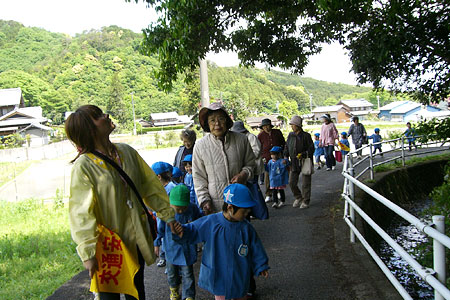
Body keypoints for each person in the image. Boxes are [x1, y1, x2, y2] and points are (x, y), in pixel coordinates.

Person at [66, 105, 179, 300]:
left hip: (134, 240)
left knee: (137, 293)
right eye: (99, 116)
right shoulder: (84, 166)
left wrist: (167, 215)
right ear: (89, 129)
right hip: (107, 248)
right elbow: (80, 212)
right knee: (109, 297)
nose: (106, 116)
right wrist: (88, 251)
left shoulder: (126, 152)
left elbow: (150, 186)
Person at [172, 183, 269, 300]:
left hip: (240, 276)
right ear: (230, 208)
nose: (247, 214)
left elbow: (256, 247)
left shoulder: (246, 228)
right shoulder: (210, 222)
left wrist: (261, 265)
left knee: (241, 294)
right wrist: (182, 231)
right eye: (244, 212)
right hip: (218, 276)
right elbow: (193, 230)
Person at [192, 102, 256, 215]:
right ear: (207, 123)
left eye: (221, 119)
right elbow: (198, 176)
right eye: (212, 120)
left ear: (227, 120)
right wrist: (204, 200)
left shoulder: (242, 140)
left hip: (239, 202)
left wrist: (244, 174)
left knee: (241, 231)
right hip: (215, 205)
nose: (217, 124)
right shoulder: (200, 146)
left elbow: (251, 164)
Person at [154, 185, 202, 300]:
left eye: (183, 208)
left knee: (188, 275)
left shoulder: (192, 208)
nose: (180, 211)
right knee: (172, 274)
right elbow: (159, 230)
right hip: (171, 249)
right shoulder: (166, 212)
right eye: (177, 208)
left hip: (187, 249)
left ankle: (189, 296)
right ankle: (174, 290)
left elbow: (200, 221)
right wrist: (156, 243)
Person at [284, 116, 314, 209]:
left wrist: (304, 154)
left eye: (293, 124)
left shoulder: (306, 136)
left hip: (305, 161)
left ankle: (306, 200)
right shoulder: (290, 135)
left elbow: (311, 148)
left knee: (306, 183)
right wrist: (285, 156)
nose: (292, 126)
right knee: (291, 182)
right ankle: (298, 197)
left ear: (298, 125)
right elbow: (287, 146)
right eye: (291, 124)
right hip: (294, 161)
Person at [151, 161, 176, 268]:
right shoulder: (163, 188)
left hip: (169, 225)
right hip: (164, 226)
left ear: (159, 176)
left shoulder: (171, 188)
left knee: (172, 248)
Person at [257, 118, 286, 202]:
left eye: (267, 125)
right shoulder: (260, 135)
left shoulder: (277, 132)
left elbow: (283, 143)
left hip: (278, 158)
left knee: (279, 175)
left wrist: (284, 155)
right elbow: (259, 148)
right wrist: (261, 157)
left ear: (270, 126)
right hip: (267, 159)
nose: (266, 128)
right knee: (268, 177)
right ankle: (268, 194)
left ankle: (279, 192)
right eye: (264, 126)